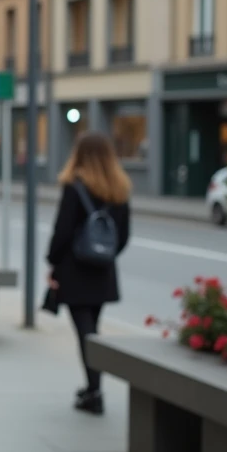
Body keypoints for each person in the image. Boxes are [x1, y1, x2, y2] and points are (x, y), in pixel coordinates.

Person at [46, 131, 131, 416]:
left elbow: (63, 231)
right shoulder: (119, 189)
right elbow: (124, 235)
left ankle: (94, 392)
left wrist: (53, 263)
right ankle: (92, 387)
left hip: (74, 270)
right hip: (102, 271)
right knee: (92, 329)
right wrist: (104, 256)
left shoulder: (75, 187)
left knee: (85, 334)